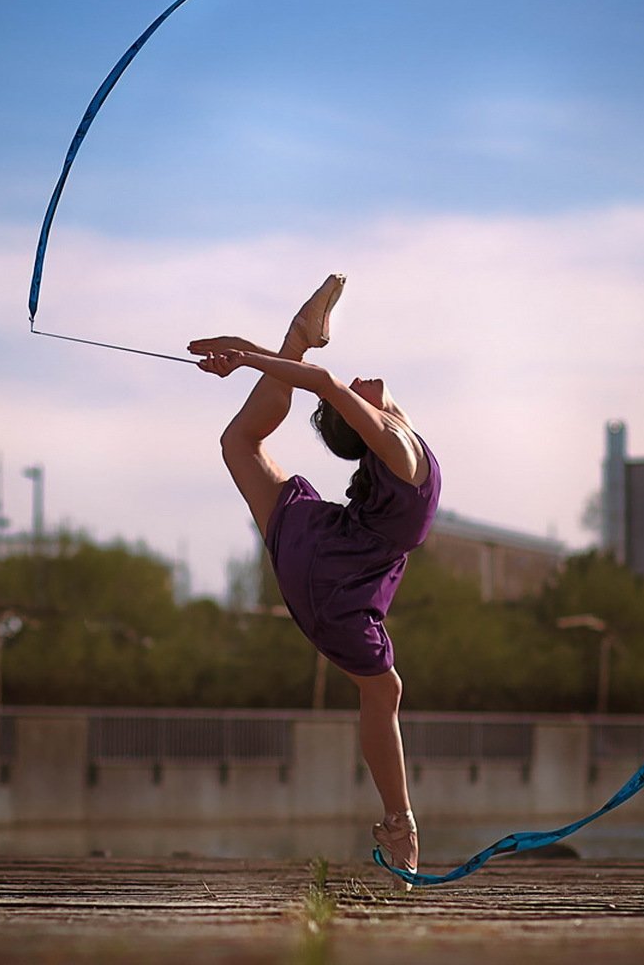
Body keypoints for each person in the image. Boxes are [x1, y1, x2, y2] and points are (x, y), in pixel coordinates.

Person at [190, 274, 438, 885]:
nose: (357, 384)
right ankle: (400, 823)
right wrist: (247, 356)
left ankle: (300, 336)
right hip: (334, 569)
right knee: (384, 694)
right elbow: (328, 390)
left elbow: (331, 390)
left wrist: (253, 355)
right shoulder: (397, 451)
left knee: (238, 443)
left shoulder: (396, 444)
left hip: (335, 559)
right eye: (354, 398)